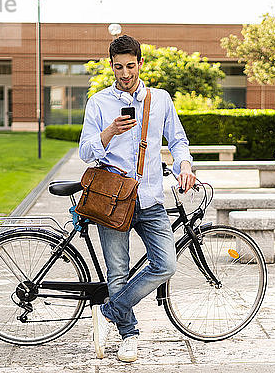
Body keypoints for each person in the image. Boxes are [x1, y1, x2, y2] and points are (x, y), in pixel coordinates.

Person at [78, 34, 196, 362]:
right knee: (117, 272)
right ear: (111, 65)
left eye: (130, 66)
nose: (125, 73)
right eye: (118, 67)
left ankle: (107, 311)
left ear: (140, 63)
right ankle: (128, 335)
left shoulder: (160, 100)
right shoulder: (99, 103)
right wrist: (110, 131)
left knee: (166, 264)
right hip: (112, 199)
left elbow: (177, 140)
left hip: (150, 198)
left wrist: (184, 164)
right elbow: (85, 151)